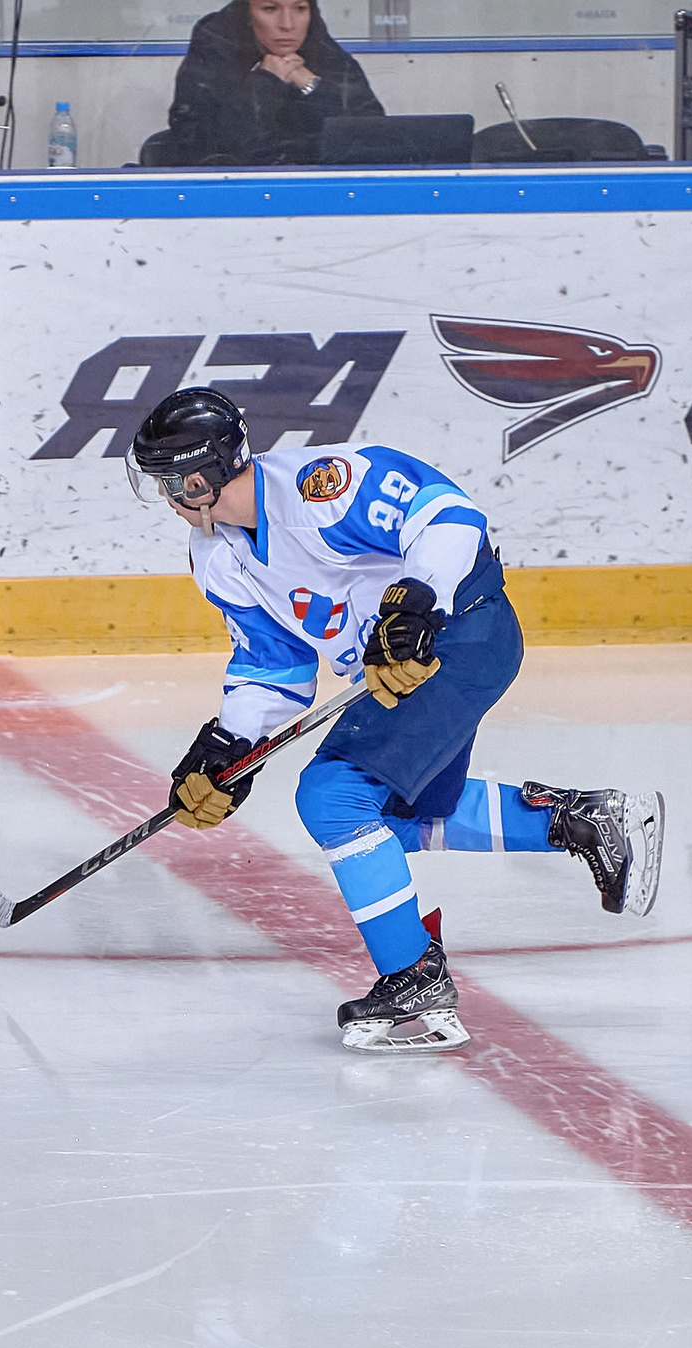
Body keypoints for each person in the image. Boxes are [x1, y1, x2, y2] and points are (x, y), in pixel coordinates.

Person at [129, 388, 663, 1054]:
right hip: (397, 671)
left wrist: (415, 607)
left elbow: (448, 516)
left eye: (166, 479)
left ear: (199, 477)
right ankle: (583, 819)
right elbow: (276, 668)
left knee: (334, 796)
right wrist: (227, 747)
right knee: (397, 816)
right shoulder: (217, 556)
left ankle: (413, 983)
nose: (162, 493)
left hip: (461, 634)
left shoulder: (317, 488)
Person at [161, 0, 383, 167]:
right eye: (270, 9)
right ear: (247, 15)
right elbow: (199, 143)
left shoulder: (328, 56)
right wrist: (266, 84)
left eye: (300, 8)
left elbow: (374, 140)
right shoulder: (215, 51)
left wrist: (310, 85)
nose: (287, 25)